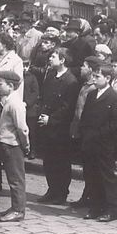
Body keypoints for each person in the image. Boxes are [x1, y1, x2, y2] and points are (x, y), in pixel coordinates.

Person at [79, 63, 117, 222]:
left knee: (107, 177)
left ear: (107, 78)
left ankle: (111, 209)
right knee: (92, 175)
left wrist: (99, 134)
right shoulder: (92, 95)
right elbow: (85, 116)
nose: (94, 79)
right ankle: (95, 207)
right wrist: (85, 133)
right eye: (93, 76)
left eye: (97, 76)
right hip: (90, 142)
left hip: (105, 144)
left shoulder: (114, 97)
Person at [37, 47, 80, 204]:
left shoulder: (71, 81)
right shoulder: (50, 77)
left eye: (53, 56)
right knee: (48, 160)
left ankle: (61, 193)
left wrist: (52, 119)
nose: (50, 59)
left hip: (60, 128)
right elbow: (44, 98)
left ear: (62, 60)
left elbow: (67, 107)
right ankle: (51, 190)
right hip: (46, 124)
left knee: (61, 161)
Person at [0, 71, 31, 222]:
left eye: (0, 84)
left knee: (16, 179)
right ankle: (15, 206)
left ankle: (18, 210)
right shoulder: (8, 100)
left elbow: (22, 128)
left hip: (13, 145)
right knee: (11, 177)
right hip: (6, 143)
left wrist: (26, 145)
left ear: (10, 86)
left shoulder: (15, 103)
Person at [68, 56, 100, 209]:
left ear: (91, 70)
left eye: (84, 66)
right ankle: (86, 195)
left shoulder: (94, 87)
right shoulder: (85, 85)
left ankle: (91, 196)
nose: (81, 68)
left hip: (88, 130)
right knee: (86, 166)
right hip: (81, 128)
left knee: (90, 166)